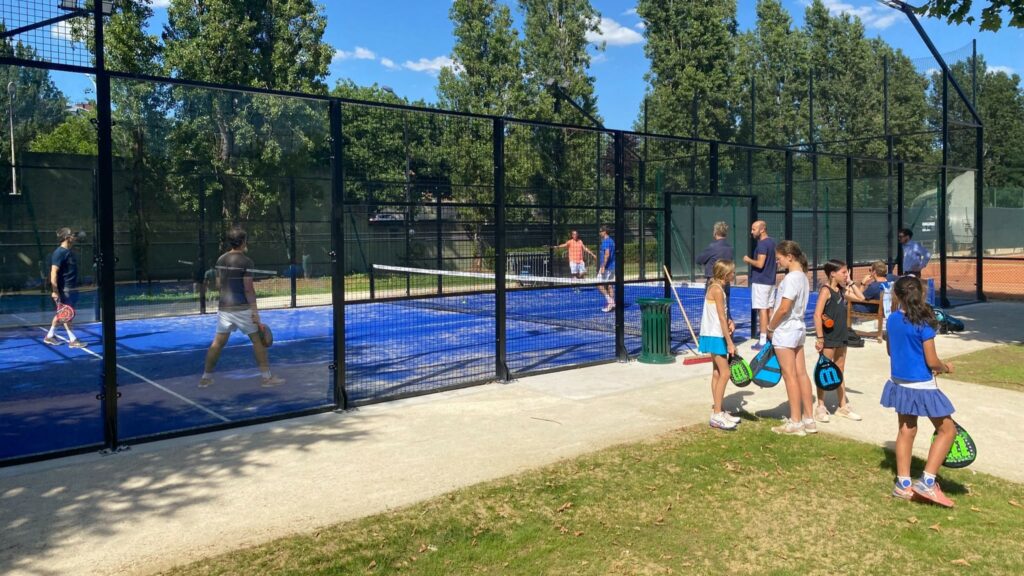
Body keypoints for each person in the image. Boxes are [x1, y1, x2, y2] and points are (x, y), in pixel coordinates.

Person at [882, 276, 957, 507]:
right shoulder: (924, 324)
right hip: (921, 385)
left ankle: (903, 485)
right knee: (948, 430)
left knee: (906, 430)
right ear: (921, 294)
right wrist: (945, 367)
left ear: (897, 296)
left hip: (899, 383)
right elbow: (932, 361)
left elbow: (890, 351)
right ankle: (927, 481)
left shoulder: (892, 319)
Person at [200, 227, 284, 388]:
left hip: (224, 309)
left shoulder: (221, 260)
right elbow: (248, 289)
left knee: (217, 344)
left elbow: (218, 284)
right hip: (242, 308)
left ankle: (205, 378)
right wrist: (255, 313)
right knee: (258, 342)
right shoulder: (247, 261)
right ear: (244, 241)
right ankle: (267, 378)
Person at [767, 240, 815, 436]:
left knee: (790, 375)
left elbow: (784, 307)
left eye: (779, 259)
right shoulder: (803, 277)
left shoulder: (791, 279)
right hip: (798, 329)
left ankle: (795, 421)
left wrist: (771, 326)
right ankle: (808, 419)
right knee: (801, 373)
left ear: (790, 257)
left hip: (786, 330)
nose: (777, 262)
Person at [812, 259, 862, 423]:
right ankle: (820, 406)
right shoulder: (826, 291)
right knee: (825, 370)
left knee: (840, 371)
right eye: (843, 272)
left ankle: (842, 407)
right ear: (833, 273)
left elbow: (860, 298)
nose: (846, 274)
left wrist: (851, 282)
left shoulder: (841, 291)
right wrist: (820, 338)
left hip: (842, 335)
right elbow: (817, 314)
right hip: (828, 337)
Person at [700, 260, 739, 431]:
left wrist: (730, 320)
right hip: (715, 336)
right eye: (732, 273)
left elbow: (721, 316)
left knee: (717, 373)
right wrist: (730, 343)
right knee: (725, 372)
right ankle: (716, 415)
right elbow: (721, 318)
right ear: (725, 275)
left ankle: (719, 409)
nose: (734, 275)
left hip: (712, 334)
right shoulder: (717, 289)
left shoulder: (716, 287)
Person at [44, 227, 87, 348]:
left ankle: (49, 336)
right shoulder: (59, 253)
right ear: (67, 237)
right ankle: (73, 340)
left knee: (62, 313)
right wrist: (55, 291)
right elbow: (54, 272)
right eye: (73, 235)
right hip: (65, 289)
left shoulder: (69, 252)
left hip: (71, 288)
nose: (75, 237)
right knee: (66, 314)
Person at [743, 220, 777, 350]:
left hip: (761, 281)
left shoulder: (762, 244)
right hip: (770, 281)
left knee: (762, 310)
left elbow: (760, 264)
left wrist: (748, 260)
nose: (752, 232)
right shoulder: (772, 242)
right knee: (770, 309)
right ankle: (772, 336)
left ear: (762, 229)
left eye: (754, 229)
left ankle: (763, 340)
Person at [697, 221, 734, 310]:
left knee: (711, 308)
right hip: (726, 280)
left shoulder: (712, 247)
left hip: (713, 281)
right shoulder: (730, 248)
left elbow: (699, 260)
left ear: (715, 232)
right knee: (725, 307)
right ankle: (726, 322)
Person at [596, 225, 616, 313]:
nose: (599, 233)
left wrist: (603, 266)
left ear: (605, 232)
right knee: (609, 285)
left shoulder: (606, 241)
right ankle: (613, 303)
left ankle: (610, 302)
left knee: (598, 284)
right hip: (612, 266)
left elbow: (607, 254)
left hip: (607, 267)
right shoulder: (612, 241)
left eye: (601, 231)